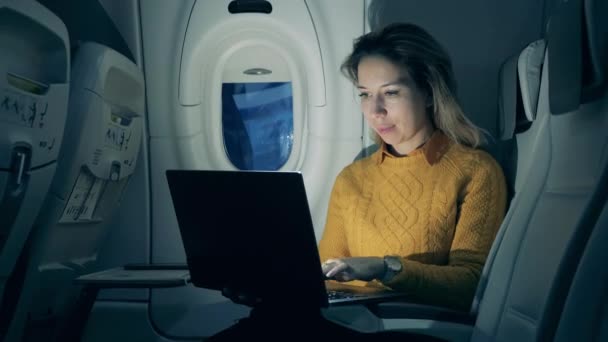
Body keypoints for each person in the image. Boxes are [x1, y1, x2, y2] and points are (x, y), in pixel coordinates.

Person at [319, 22, 507, 312]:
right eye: (365, 94)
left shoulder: (476, 171)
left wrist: (386, 269)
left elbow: (470, 284)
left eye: (391, 92)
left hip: (414, 325)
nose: (375, 110)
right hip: (350, 321)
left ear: (429, 92)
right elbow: (326, 278)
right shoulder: (351, 178)